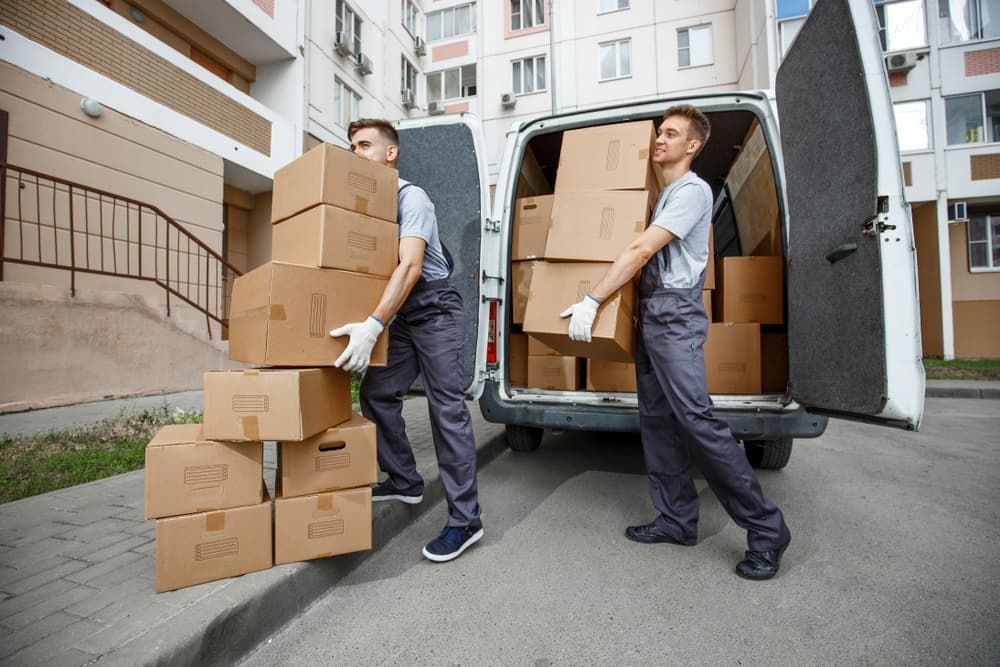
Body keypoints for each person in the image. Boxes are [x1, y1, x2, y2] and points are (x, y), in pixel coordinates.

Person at [560, 105, 790, 580]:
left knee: (696, 420)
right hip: (653, 312)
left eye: (671, 134)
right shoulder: (661, 196)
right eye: (659, 133)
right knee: (658, 422)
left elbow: (643, 250)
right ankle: (677, 520)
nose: (659, 140)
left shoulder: (690, 191)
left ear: (693, 145)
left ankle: (767, 529)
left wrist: (593, 300)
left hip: (674, 314)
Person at [330, 118, 483, 563]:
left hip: (434, 309)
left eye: (363, 145)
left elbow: (411, 266)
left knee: (445, 409)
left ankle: (465, 521)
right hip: (401, 314)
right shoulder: (367, 206)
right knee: (377, 393)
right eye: (351, 145)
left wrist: (374, 324)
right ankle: (404, 480)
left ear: (390, 153)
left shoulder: (410, 197)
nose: (355, 152)